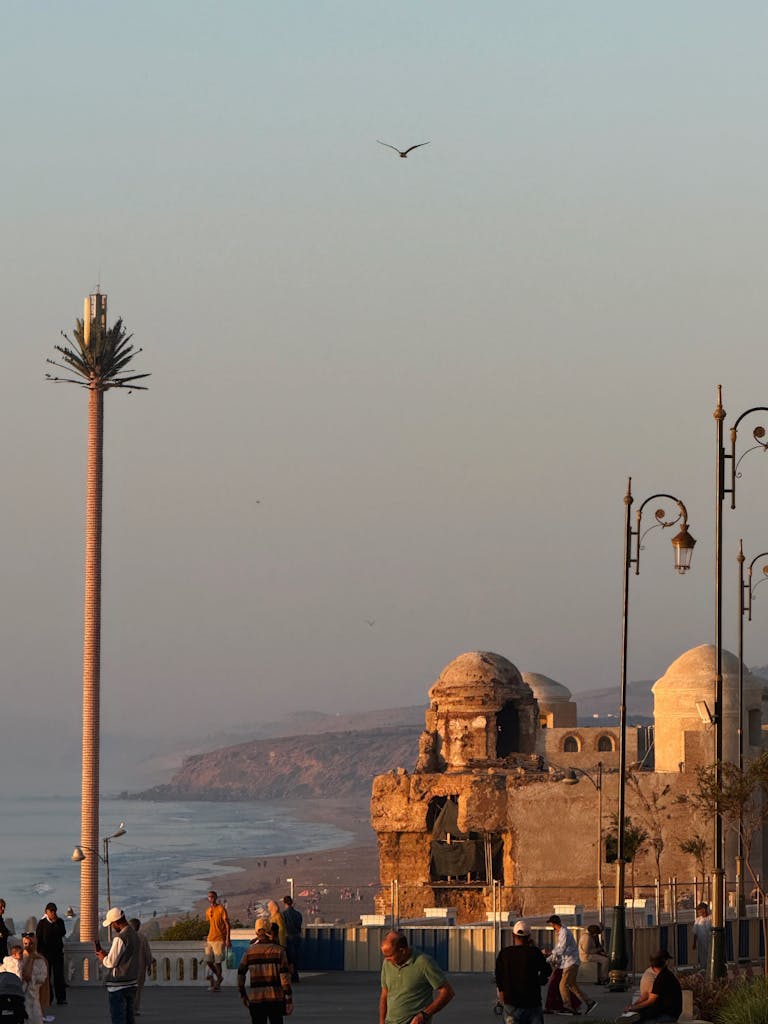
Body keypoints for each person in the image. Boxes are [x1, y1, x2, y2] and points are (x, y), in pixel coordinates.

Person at [379, 929, 455, 1024]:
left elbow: (448, 992)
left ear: (402, 951)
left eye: (389, 955)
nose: (386, 959)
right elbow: (384, 995)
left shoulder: (424, 963)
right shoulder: (387, 964)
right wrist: (382, 1022)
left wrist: (424, 1015)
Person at [237, 917, 293, 1024]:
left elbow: (240, 974)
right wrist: (289, 1000)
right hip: (275, 999)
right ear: (269, 930)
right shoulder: (279, 951)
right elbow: (284, 978)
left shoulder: (249, 952)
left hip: (256, 999)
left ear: (256, 931)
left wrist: (243, 995)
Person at [494, 919, 551, 1024]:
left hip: (511, 1003)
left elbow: (498, 975)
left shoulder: (504, 954)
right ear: (529, 937)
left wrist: (502, 992)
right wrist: (540, 980)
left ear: (513, 935)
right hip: (532, 1003)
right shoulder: (535, 953)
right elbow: (547, 971)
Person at [545, 915, 597, 1016]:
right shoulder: (562, 932)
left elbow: (561, 949)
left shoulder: (563, 932)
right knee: (572, 985)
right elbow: (558, 950)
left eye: (552, 925)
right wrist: (549, 958)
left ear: (555, 924)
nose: (552, 928)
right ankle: (589, 1002)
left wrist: (549, 954)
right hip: (570, 962)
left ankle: (568, 1006)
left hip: (570, 962)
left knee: (562, 985)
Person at [96, 908, 141, 1024]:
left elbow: (111, 963)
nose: (112, 927)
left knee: (118, 1018)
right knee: (129, 1018)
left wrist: (103, 958)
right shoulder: (135, 935)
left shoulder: (120, 938)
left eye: (111, 924)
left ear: (116, 922)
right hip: (132, 982)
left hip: (119, 985)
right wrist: (109, 954)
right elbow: (126, 955)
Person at [624, 953, 682, 1022]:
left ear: (652, 967)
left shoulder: (661, 978)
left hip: (669, 1014)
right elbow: (647, 995)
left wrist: (632, 1008)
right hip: (671, 1012)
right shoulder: (667, 975)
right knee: (642, 1014)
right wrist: (634, 1006)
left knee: (642, 1019)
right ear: (665, 963)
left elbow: (651, 1000)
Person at [35, 901, 66, 1005]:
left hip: (57, 954)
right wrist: (39, 954)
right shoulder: (42, 923)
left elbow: (62, 932)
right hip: (45, 955)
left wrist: (56, 922)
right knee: (46, 977)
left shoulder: (60, 922)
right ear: (46, 911)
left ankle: (61, 998)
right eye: (51, 911)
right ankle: (49, 998)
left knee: (59, 976)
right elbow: (38, 938)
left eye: (54, 911)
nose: (53, 913)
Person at [204, 890, 231, 992]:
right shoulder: (207, 911)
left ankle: (218, 983)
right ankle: (219, 977)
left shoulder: (221, 909)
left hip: (219, 939)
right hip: (210, 939)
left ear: (215, 897)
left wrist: (228, 939)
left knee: (218, 962)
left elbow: (227, 924)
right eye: (209, 897)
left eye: (212, 896)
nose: (211, 898)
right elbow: (210, 924)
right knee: (208, 961)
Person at [20, 932, 49, 1024]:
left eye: (31, 943)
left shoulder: (40, 960)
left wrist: (32, 978)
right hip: (21, 996)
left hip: (34, 996)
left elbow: (43, 977)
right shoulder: (17, 958)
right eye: (26, 944)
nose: (28, 946)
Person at [128, 918, 152, 1016]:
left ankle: (129, 1008)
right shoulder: (142, 938)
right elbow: (147, 953)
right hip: (140, 968)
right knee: (137, 990)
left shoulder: (126, 937)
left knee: (128, 989)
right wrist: (149, 965)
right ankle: (136, 1009)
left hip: (128, 969)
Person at [281, 895, 302, 982]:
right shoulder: (298, 914)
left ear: (284, 903)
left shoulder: (284, 914)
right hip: (297, 937)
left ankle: (292, 976)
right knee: (295, 957)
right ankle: (295, 975)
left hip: (288, 938)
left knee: (289, 958)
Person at [692, 902, 711, 971]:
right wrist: (694, 943)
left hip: (710, 942)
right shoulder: (698, 920)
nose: (699, 912)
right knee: (703, 957)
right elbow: (695, 933)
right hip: (701, 943)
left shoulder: (711, 918)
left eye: (701, 910)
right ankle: (704, 969)